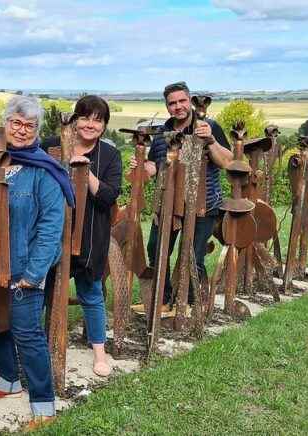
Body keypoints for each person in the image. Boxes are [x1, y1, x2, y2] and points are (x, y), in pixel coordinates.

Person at [0, 95, 73, 429]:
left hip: (23, 268)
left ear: (37, 130)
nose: (21, 131)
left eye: (29, 126)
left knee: (27, 333)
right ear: (5, 123)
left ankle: (44, 408)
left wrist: (34, 274)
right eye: (16, 123)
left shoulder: (43, 171)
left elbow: (51, 227)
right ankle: (8, 379)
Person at [41, 95, 123, 377]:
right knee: (45, 289)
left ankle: (100, 352)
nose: (90, 125)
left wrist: (84, 171)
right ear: (74, 120)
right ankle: (42, 345)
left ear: (104, 126)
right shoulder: (50, 145)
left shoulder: (110, 155)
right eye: (85, 117)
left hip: (90, 235)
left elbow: (110, 195)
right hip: (51, 232)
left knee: (91, 292)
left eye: (98, 120)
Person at [135, 81, 232, 307]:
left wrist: (211, 141)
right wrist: (141, 166)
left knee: (192, 255)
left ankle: (189, 304)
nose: (178, 106)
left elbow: (227, 162)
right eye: (172, 103)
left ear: (189, 101)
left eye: (182, 101)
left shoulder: (208, 127)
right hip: (168, 203)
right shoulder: (161, 134)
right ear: (167, 106)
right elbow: (156, 166)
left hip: (203, 205)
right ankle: (163, 298)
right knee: (156, 249)